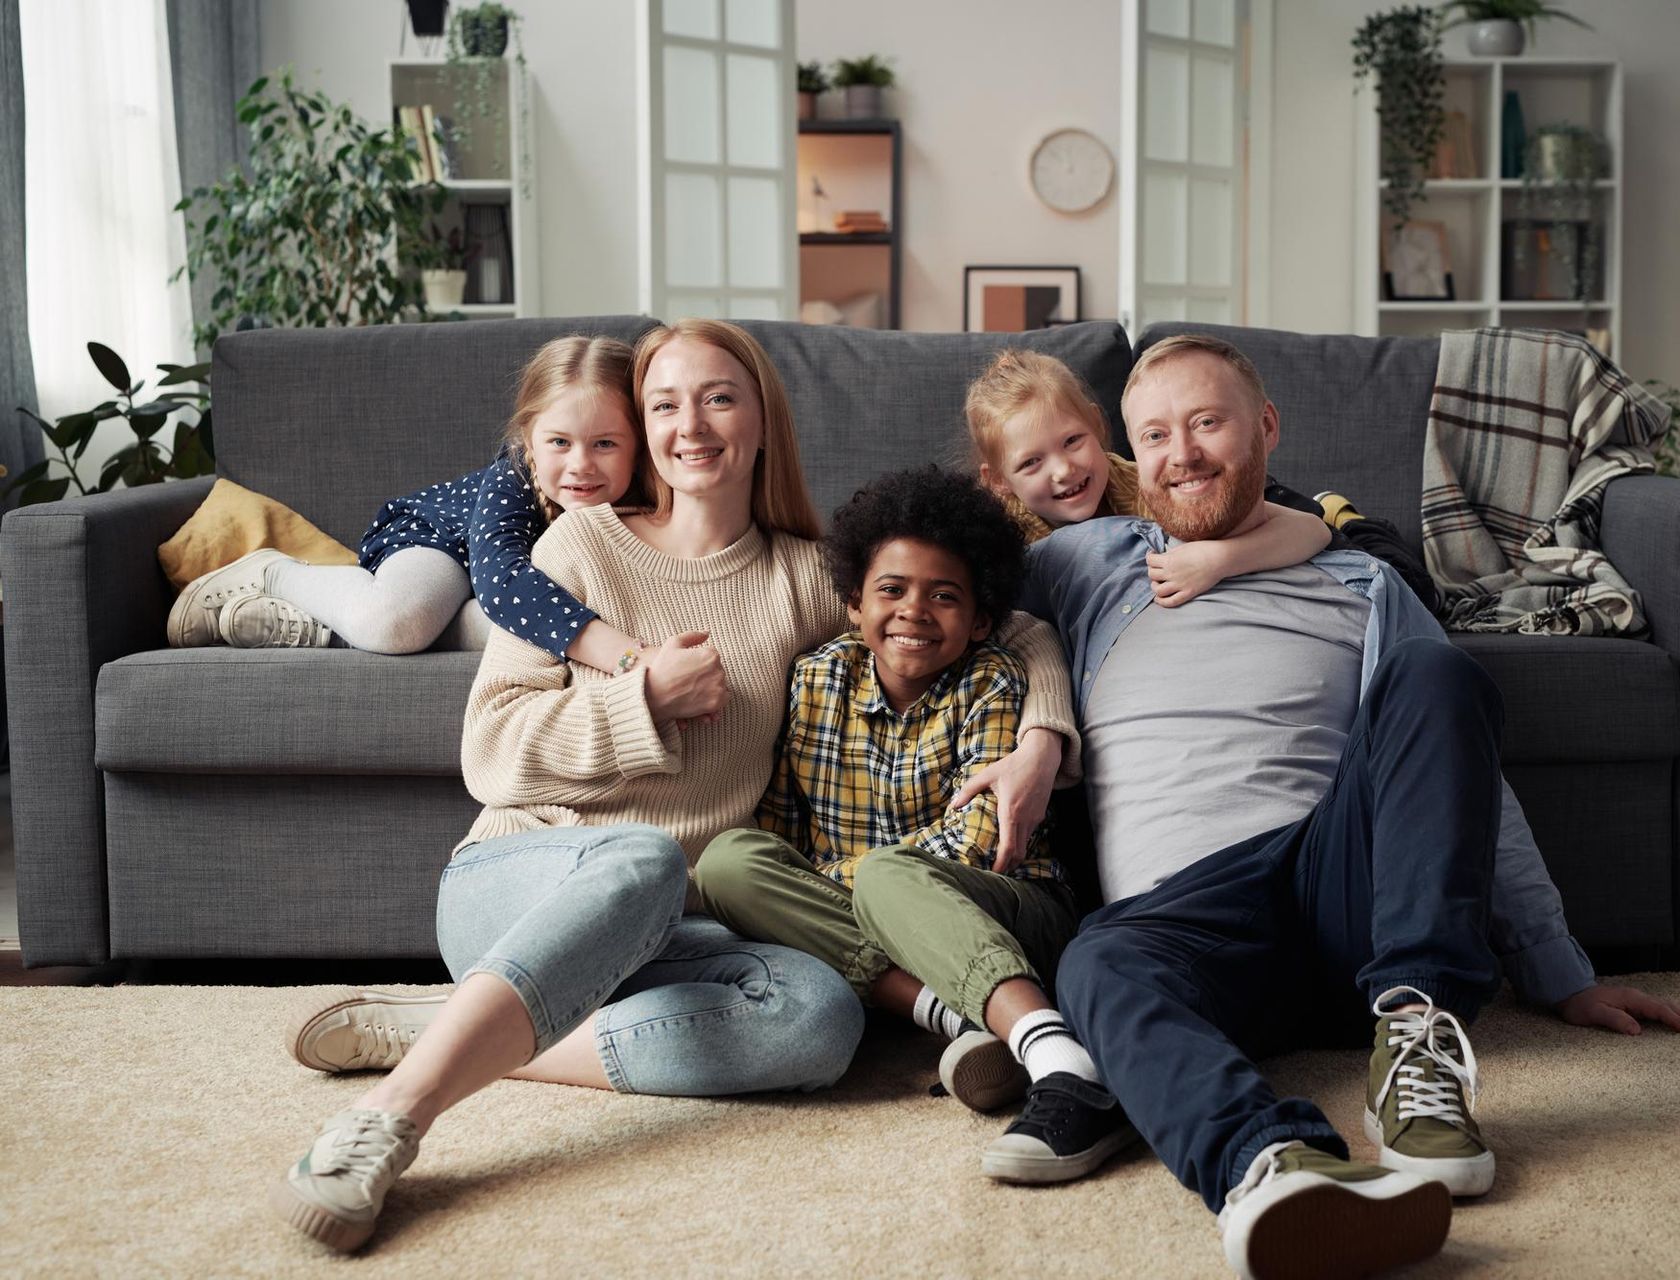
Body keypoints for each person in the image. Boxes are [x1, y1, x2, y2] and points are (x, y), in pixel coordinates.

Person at [269, 321, 1081, 1252]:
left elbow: (1011, 626)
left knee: (817, 1019)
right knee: (646, 857)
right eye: (664, 404)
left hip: (681, 931)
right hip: (520, 881)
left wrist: (1042, 739)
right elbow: (489, 750)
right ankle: (394, 1115)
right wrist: (640, 701)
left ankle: (455, 1030)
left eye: (719, 398)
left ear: (763, 419)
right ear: (646, 427)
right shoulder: (579, 547)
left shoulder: (801, 578)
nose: (691, 425)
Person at [1015, 333, 1680, 1279]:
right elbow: (940, 590)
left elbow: (1461, 776)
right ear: (1132, 454)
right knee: (1097, 962)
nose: (1181, 454)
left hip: (1339, 885)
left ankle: (1419, 1048)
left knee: (1435, 670)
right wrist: (1035, 735)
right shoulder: (1088, 563)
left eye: (1207, 422)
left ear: (1266, 427)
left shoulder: (1361, 577)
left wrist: (1560, 969)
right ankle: (1273, 1166)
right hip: (1189, 922)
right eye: (1157, 434)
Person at [696, 465, 1133, 1185]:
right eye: (892, 590)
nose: (914, 611)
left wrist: (859, 878)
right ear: (854, 605)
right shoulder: (816, 680)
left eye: (945, 596)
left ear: (982, 618)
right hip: (883, 907)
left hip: (1010, 904)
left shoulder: (995, 679)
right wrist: (845, 881)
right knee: (727, 863)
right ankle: (950, 1015)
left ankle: (1057, 1054)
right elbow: (781, 838)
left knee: (888, 873)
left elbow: (982, 842)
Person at [165, 335, 653, 673]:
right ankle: (276, 573)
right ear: (528, 438)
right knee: (396, 623)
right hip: (441, 541)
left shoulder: (651, 494)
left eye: (605, 444)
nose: (580, 466)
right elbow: (502, 581)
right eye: (560, 443)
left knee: (523, 637)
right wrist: (625, 655)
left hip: (497, 594)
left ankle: (325, 630)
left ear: (639, 443)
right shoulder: (516, 475)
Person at [964, 347, 1329, 605]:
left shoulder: (1150, 486)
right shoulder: (1000, 534)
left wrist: (1219, 560)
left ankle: (1331, 503)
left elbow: (1312, 529)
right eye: (1031, 463)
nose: (1063, 470)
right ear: (999, 480)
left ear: (1097, 424)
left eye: (1073, 441)